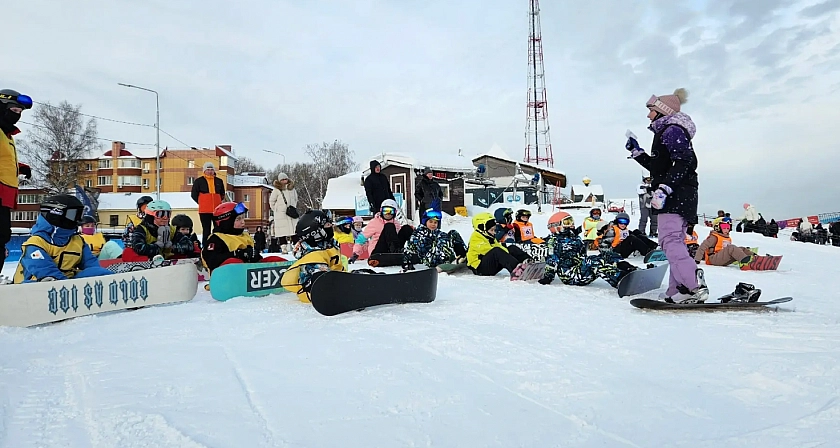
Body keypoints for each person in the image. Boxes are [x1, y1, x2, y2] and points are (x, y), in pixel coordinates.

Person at [625, 87, 708, 303]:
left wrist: (665, 188)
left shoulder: (672, 130)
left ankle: (694, 285)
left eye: (651, 110)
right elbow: (659, 167)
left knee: (670, 241)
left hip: (676, 195)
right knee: (673, 242)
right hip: (680, 193)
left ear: (662, 111)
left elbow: (684, 161)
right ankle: (678, 289)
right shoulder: (667, 132)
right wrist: (637, 153)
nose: (648, 115)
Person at [12, 195, 112, 283]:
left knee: (100, 273)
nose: (78, 220)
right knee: (48, 280)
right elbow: (45, 270)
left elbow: (91, 264)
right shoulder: (36, 244)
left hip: (68, 284)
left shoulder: (77, 241)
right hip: (35, 286)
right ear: (56, 214)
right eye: (74, 215)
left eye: (80, 215)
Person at [538, 211, 637, 287]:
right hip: (569, 274)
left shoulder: (575, 238)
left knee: (607, 255)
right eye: (567, 222)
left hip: (580, 267)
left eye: (571, 221)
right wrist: (548, 277)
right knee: (595, 263)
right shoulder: (553, 241)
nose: (571, 224)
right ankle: (621, 280)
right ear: (556, 226)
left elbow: (583, 255)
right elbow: (552, 259)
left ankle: (631, 270)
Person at [281, 210, 346, 303]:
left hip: (336, 282)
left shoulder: (328, 246)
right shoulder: (312, 256)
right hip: (312, 292)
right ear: (315, 232)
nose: (331, 226)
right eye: (327, 225)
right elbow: (323, 276)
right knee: (320, 274)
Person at [201, 202, 284, 273]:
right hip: (227, 276)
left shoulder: (245, 236)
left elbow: (256, 258)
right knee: (233, 263)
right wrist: (236, 254)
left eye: (243, 218)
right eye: (238, 219)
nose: (243, 222)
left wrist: (254, 255)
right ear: (226, 222)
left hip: (251, 273)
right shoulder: (217, 238)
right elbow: (211, 259)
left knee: (274, 260)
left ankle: (288, 274)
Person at [0, 89, 33, 260]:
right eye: (14, 110)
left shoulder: (6, 135)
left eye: (20, 112)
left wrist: (21, 168)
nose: (17, 115)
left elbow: (4, 161)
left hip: (5, 196)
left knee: (3, 235)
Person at [126, 200, 196, 262]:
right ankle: (152, 261)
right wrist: (157, 246)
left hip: (169, 260)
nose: (165, 217)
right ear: (151, 216)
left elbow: (189, 245)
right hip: (148, 260)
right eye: (160, 214)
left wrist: (171, 247)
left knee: (195, 248)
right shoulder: (141, 229)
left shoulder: (172, 230)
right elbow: (138, 247)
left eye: (168, 214)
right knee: (128, 252)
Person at [466, 212, 530, 276]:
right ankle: (517, 271)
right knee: (497, 251)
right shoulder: (476, 238)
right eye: (492, 230)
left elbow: (499, 247)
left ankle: (528, 263)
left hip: (490, 264)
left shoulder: (489, 236)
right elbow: (487, 250)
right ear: (482, 228)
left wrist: (508, 253)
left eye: (494, 230)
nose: (494, 233)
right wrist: (506, 255)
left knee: (512, 248)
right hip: (480, 268)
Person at [352, 199, 413, 266]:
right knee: (389, 226)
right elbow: (361, 239)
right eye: (385, 211)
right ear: (381, 211)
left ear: (395, 212)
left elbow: (396, 238)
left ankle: (414, 250)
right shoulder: (375, 222)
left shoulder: (396, 223)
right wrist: (355, 253)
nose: (388, 214)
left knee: (406, 228)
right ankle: (395, 253)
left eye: (391, 211)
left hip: (391, 251)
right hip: (377, 253)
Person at [402, 208, 467, 271]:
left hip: (439, 255)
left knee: (453, 233)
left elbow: (447, 238)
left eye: (435, 222)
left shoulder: (437, 232)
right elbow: (409, 250)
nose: (433, 224)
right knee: (441, 239)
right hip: (429, 261)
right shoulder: (418, 235)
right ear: (425, 222)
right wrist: (407, 263)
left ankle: (463, 256)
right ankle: (446, 262)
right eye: (430, 222)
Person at [191, 162, 225, 248]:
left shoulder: (219, 181)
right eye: (208, 170)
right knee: (206, 230)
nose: (210, 171)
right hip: (204, 211)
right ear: (204, 171)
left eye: (211, 169)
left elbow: (222, 194)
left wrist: (217, 202)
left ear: (214, 171)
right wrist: (202, 202)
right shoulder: (199, 181)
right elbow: (194, 195)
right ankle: (205, 248)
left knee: (218, 229)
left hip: (217, 211)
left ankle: (218, 246)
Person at [269, 173, 299, 254]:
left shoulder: (292, 189)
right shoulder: (276, 190)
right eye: (282, 180)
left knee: (294, 231)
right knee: (281, 232)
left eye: (285, 179)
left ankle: (297, 247)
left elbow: (296, 199)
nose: (284, 181)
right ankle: (283, 248)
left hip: (291, 213)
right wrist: (277, 209)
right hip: (280, 215)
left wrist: (293, 207)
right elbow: (272, 201)